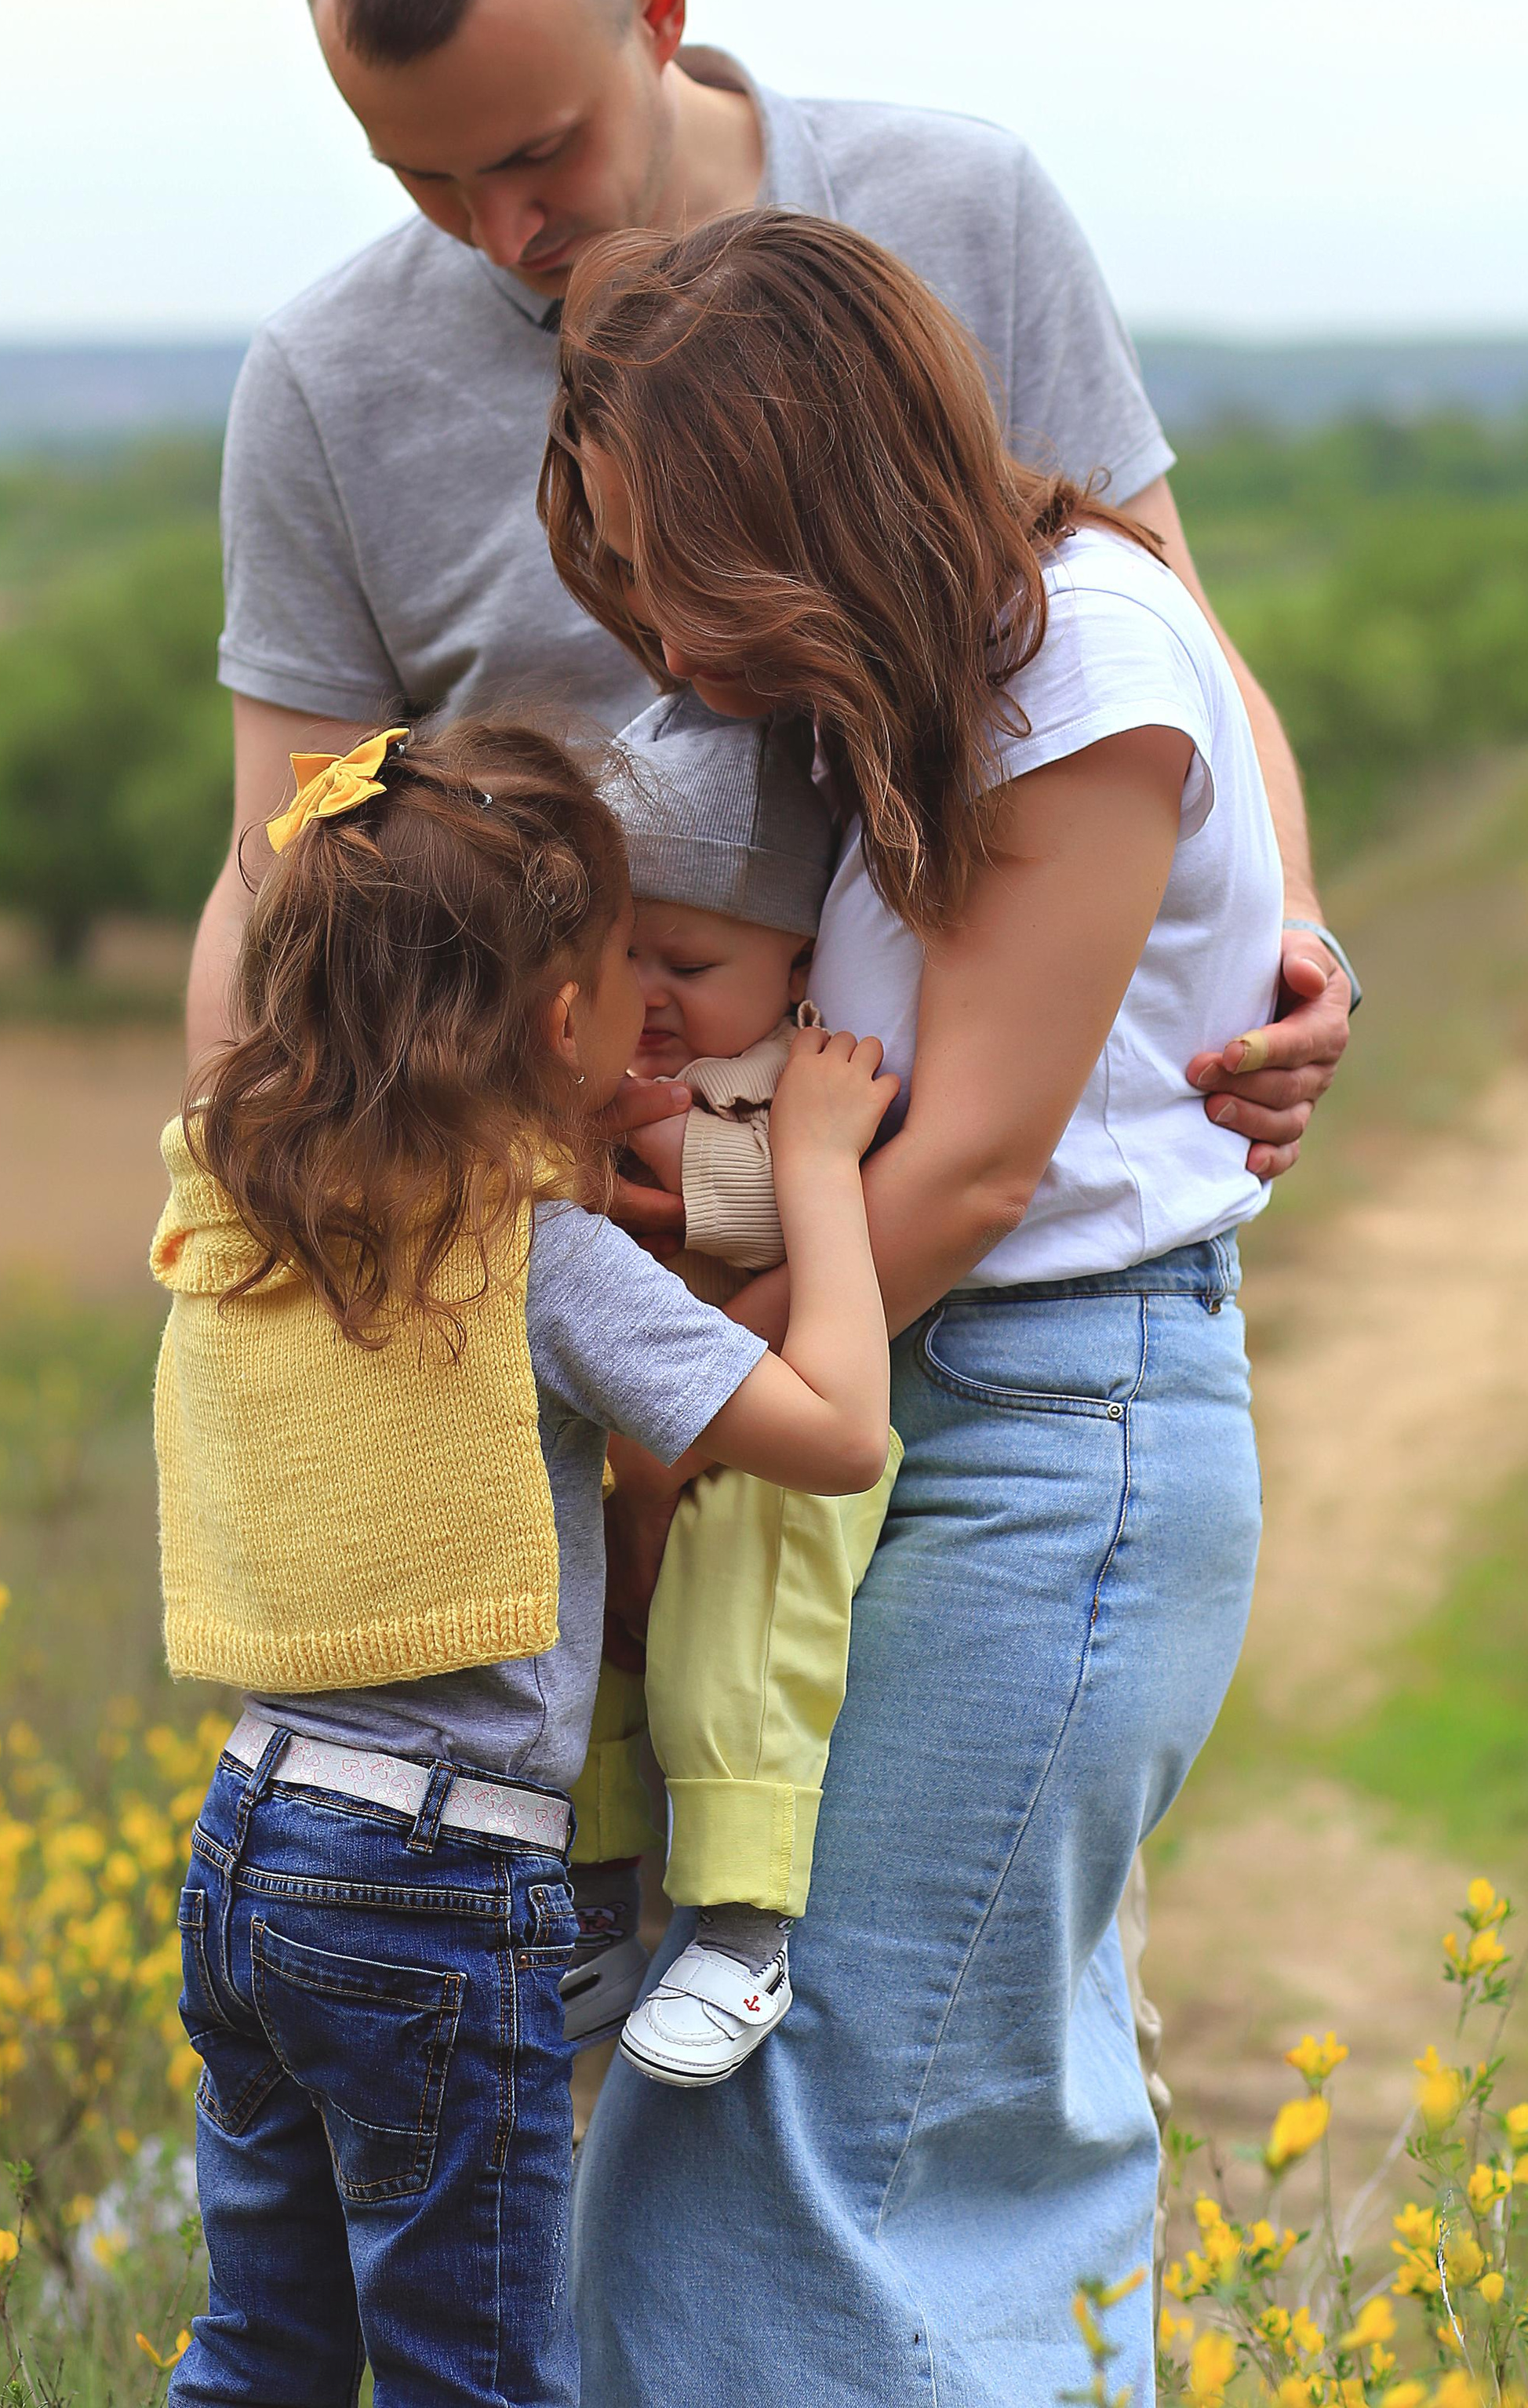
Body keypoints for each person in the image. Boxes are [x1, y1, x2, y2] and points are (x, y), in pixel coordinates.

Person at [185, 0, 1355, 1231]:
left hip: (999, 1223)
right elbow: (295, 860)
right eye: (422, 175)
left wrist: (1291, 930)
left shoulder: (962, 211)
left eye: (535, 151)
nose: (503, 233)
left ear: (659, 12)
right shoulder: (324, 379)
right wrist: (268, 1219)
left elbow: (1173, 635)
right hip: (570, 1238)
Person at [540, 213, 1277, 2406]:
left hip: (1045, 1436)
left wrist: (680, 1427)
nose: (667, 637)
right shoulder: (920, 700)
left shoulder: (1085, 678)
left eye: (688, 570)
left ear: (816, 495)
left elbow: (958, 1168)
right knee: (935, 2141)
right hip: (919, 1411)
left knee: (803, 2134)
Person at [151, 718, 897, 2406]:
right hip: (429, 1883)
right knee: (472, 2370)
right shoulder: (539, 1262)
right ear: (568, 1021)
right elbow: (839, 1427)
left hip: (250, 1837)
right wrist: (817, 1171)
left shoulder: (235, 1200)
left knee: (260, 2345)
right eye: (629, 964)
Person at [564, 694, 904, 2089]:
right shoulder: (628, 1065)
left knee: (736, 1620)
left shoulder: (797, 1081)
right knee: (563, 1620)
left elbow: (765, 1201)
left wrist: (639, 1139)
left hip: (776, 1456)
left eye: (690, 960)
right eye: (618, 952)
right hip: (635, 1432)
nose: (649, 993)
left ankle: (741, 1918)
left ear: (805, 965)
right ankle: (586, 1898)